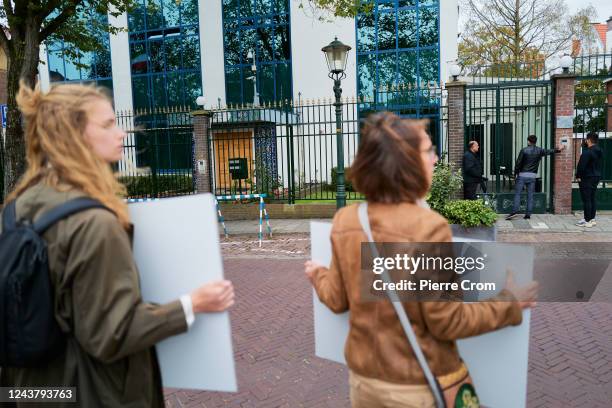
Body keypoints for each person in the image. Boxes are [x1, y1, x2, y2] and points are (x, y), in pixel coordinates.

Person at [0, 82, 235, 407]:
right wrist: (192, 304)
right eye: (108, 124)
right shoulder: (95, 222)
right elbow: (113, 333)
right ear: (75, 134)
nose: (121, 133)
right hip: (89, 392)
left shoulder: (17, 206)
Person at [304, 112, 537, 408]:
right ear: (406, 163)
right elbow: (446, 322)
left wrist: (318, 275)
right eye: (428, 151)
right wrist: (509, 304)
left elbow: (337, 299)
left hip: (364, 382)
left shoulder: (347, 220)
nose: (436, 159)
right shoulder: (427, 227)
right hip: (413, 389)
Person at [506, 135, 565, 220]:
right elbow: (549, 151)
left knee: (518, 194)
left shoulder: (524, 150)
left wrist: (515, 173)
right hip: (532, 176)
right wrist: (558, 149)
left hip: (522, 175)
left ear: (528, 141)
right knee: (530, 195)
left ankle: (514, 211)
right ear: (535, 141)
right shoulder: (539, 150)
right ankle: (528, 214)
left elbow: (518, 163)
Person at [575, 132, 603, 227]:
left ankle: (587, 220)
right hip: (596, 176)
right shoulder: (599, 150)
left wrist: (578, 176)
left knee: (586, 199)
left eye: (586, 139)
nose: (585, 141)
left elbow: (581, 166)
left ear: (589, 140)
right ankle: (592, 219)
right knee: (592, 198)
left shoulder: (587, 152)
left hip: (587, 177)